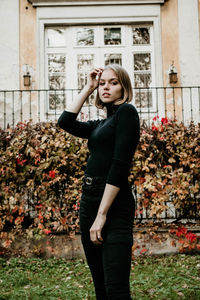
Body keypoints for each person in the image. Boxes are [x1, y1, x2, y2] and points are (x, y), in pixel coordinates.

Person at [58, 64, 140, 300]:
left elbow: (119, 165)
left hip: (114, 205)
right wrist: (88, 86)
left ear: (123, 87)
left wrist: (102, 214)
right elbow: (66, 122)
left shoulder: (127, 113)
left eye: (113, 82)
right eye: (103, 83)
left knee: (116, 288)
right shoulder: (100, 125)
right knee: (101, 286)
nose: (106, 87)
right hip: (89, 201)